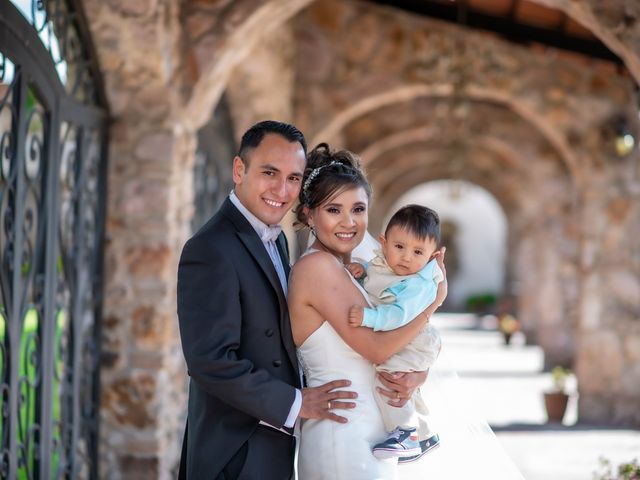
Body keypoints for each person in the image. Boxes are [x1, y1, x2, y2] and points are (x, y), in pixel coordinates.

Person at [176, 121, 358, 479]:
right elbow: (210, 361)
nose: (282, 189)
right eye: (270, 172)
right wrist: (296, 402)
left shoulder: (277, 240)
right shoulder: (210, 249)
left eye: (294, 178)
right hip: (235, 452)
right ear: (239, 170)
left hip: (273, 447)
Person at [288, 143, 447, 479]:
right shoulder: (318, 268)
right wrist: (433, 303)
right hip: (343, 432)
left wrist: (417, 374)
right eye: (334, 210)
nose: (349, 222)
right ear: (308, 214)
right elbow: (376, 348)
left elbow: (398, 343)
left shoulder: (360, 268)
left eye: (358, 209)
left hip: (375, 429)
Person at [346, 204, 444, 460]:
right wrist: (363, 271)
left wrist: (368, 317)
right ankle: (426, 433)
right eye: (399, 247)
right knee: (405, 382)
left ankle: (406, 432)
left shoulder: (418, 284)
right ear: (384, 243)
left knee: (390, 378)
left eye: (418, 252)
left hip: (416, 339)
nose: (407, 257)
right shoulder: (383, 263)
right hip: (407, 337)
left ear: (432, 257)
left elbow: (398, 315)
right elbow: (381, 277)